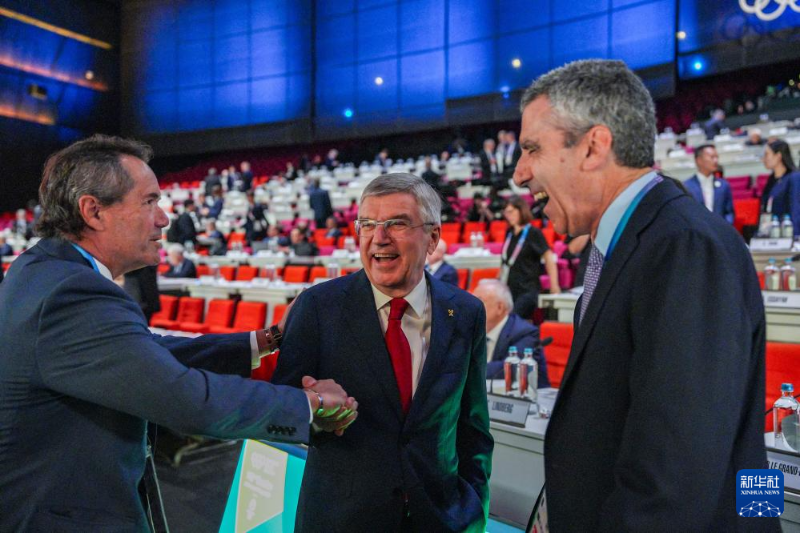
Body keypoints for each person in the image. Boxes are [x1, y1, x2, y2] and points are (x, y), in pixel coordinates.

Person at [0, 135, 357, 532]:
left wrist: (267, 338)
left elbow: (145, 354)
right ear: (94, 211)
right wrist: (308, 404)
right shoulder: (74, 290)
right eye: (149, 201)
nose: (163, 218)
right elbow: (183, 398)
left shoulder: (42, 270)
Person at [514, 59, 776, 531]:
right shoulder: (635, 244)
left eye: (532, 149)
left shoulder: (685, 246)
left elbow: (673, 477)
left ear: (593, 147)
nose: (519, 173)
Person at [272, 173, 493, 532]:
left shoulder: (466, 312)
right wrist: (314, 414)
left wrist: (473, 511)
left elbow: (474, 427)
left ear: (433, 237)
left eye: (397, 224)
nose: (379, 237)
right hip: (341, 522)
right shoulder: (317, 307)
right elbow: (282, 410)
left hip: (438, 521)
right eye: (368, 224)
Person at [472, 279, 549, 386]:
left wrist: (467, 370)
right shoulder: (470, 330)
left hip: (526, 393)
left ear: (500, 308)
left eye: (478, 302)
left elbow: (511, 368)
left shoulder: (524, 332)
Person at [501, 196, 560, 319]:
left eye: (511, 212)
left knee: (513, 319)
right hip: (510, 288)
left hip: (527, 289)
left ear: (521, 211)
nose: (508, 216)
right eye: (506, 212)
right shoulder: (509, 233)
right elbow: (505, 261)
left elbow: (548, 258)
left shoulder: (534, 233)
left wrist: (554, 285)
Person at [684, 144, 735, 224]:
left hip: (720, 229)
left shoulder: (724, 185)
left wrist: (725, 227)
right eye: (712, 157)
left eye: (717, 157)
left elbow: (729, 212)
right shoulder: (687, 186)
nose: (716, 160)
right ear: (699, 160)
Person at [761, 139, 800, 234]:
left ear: (778, 156)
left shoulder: (794, 177)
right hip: (771, 232)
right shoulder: (771, 180)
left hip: (788, 233)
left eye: (767, 154)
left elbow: (796, 210)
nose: (763, 159)